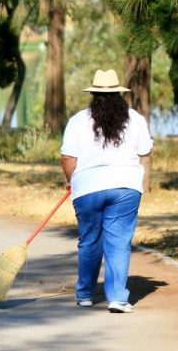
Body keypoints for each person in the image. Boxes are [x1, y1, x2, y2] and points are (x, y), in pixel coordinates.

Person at [61, 68, 153, 314]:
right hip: (125, 186)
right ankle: (117, 298)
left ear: (93, 95)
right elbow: (145, 153)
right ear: (119, 95)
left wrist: (73, 181)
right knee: (119, 242)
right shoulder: (135, 119)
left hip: (88, 187)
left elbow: (68, 158)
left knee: (90, 240)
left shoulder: (78, 120)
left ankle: (84, 295)